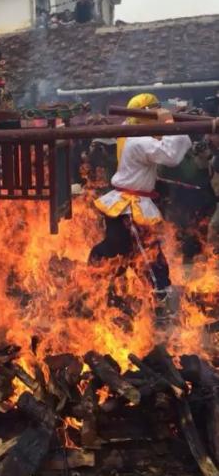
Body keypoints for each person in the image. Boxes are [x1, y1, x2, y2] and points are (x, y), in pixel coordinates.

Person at [89, 93, 192, 312]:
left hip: (129, 205)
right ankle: (159, 297)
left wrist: (178, 118)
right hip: (130, 208)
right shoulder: (138, 140)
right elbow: (171, 155)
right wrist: (170, 122)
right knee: (146, 255)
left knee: (130, 252)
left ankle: (105, 291)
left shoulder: (130, 129)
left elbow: (155, 136)